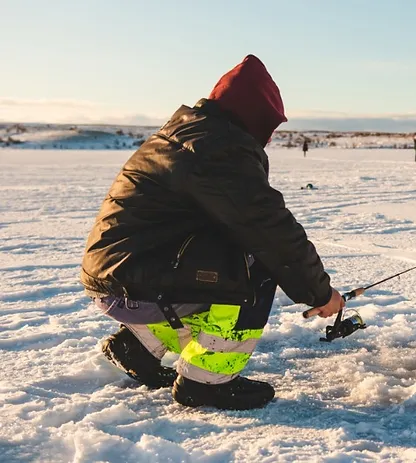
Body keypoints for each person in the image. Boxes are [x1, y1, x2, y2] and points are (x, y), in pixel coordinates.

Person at [80, 55, 345, 411]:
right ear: (254, 116)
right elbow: (270, 230)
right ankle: (206, 384)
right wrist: (320, 292)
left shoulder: (189, 134)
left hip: (119, 277)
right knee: (254, 266)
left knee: (230, 254)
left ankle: (139, 347)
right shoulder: (219, 150)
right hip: (134, 283)